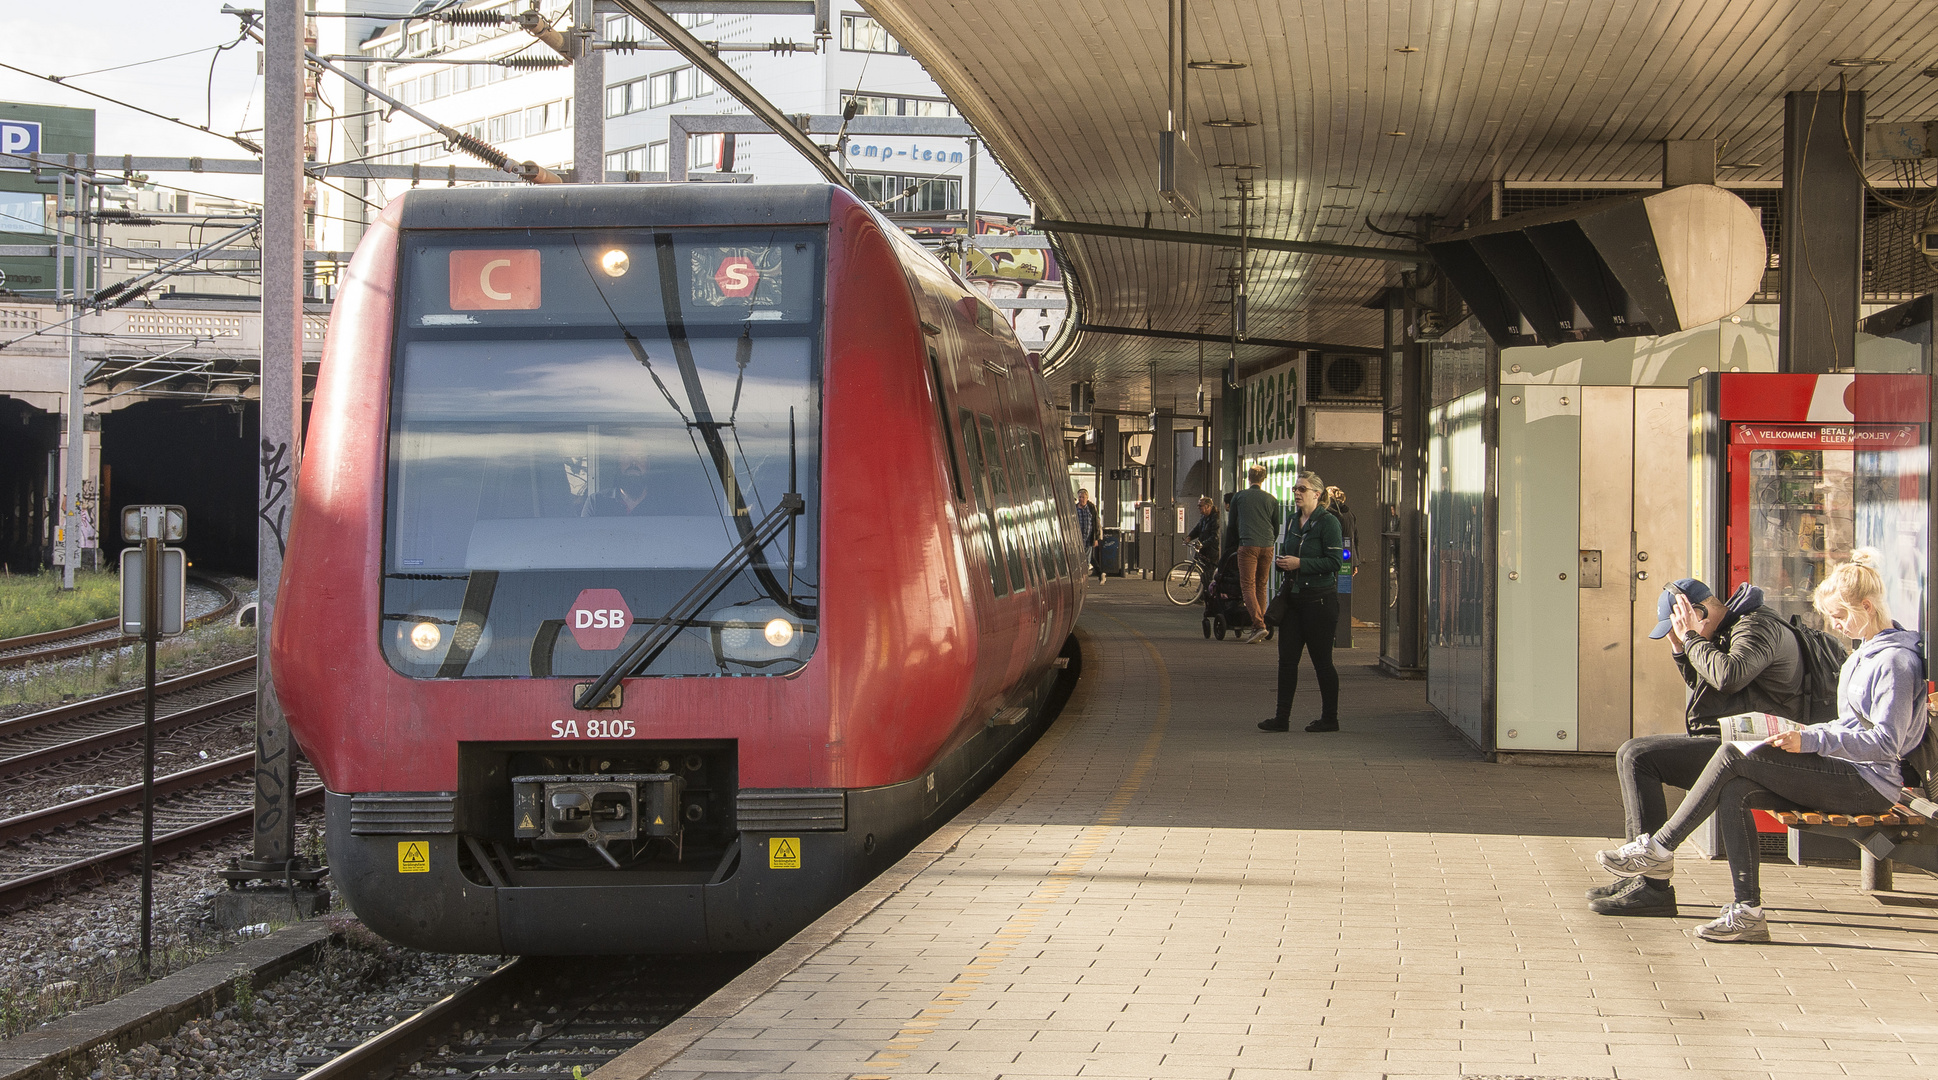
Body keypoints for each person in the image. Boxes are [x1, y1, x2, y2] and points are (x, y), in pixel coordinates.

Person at [1593, 550, 1925, 943]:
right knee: (1734, 789)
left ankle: (1660, 850)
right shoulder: (1864, 654)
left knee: (1734, 753)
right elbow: (1847, 723)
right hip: (1844, 767)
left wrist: (1812, 737)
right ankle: (1747, 912)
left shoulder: (1894, 662)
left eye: (1838, 615)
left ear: (1866, 607)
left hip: (1870, 784)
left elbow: (1885, 743)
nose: (1834, 625)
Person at [1587, 576, 1805, 917]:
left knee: (1639, 757)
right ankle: (1645, 878)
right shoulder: (1729, 627)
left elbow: (1729, 675)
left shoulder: (1756, 628)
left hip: (1761, 751)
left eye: (1680, 624)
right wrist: (1681, 647)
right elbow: (1708, 685)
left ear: (1699, 611)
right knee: (1633, 754)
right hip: (1735, 743)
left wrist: (1691, 638)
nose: (1679, 633)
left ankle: (1651, 885)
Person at [1259, 472, 1345, 732]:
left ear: (1317, 495)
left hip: (1319, 601)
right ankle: (1281, 718)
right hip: (1294, 600)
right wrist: (1285, 562)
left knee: (1322, 662)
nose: (1297, 493)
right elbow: (1290, 551)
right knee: (1286, 661)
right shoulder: (1293, 520)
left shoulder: (1329, 523)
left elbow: (1335, 562)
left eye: (1302, 489)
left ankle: (1330, 718)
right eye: (1295, 488)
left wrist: (1301, 564)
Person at [1227, 465, 1282, 643]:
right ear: (1263, 479)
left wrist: (1232, 546)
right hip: (1267, 545)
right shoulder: (1271, 499)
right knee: (1261, 585)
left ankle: (1259, 625)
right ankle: (1260, 622)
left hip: (1248, 544)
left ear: (1248, 478)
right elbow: (1276, 526)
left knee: (1248, 586)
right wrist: (1270, 541)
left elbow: (1232, 525)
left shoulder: (1239, 496)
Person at [585, 444, 653, 516]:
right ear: (618, 464)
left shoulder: (663, 504)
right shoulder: (596, 503)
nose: (633, 463)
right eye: (626, 457)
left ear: (648, 465)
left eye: (640, 457)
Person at [1074, 488, 1101, 580]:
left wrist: (1096, 538)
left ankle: (1084, 578)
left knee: (1087, 560)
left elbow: (1096, 523)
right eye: (1080, 497)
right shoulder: (1075, 509)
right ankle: (1081, 577)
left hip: (1088, 538)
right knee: (1078, 559)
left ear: (1087, 498)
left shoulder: (1091, 509)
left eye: (1083, 497)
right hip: (1078, 539)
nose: (1081, 499)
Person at [1187, 495, 1220, 570]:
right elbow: (1197, 529)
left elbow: (1215, 536)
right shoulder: (1204, 517)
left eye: (1200, 506)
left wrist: (1203, 544)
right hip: (1203, 549)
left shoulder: (1215, 518)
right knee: (1200, 570)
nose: (1198, 508)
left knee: (1209, 572)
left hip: (1211, 552)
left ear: (1208, 506)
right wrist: (1189, 537)